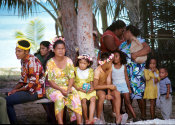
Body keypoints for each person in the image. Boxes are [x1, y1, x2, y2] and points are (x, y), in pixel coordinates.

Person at [6, 39, 45, 124]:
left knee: (7, 101)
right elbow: (23, 80)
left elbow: (32, 84)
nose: (16, 53)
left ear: (26, 52)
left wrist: (17, 90)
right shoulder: (23, 60)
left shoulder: (32, 62)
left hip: (35, 91)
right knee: (5, 98)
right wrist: (13, 90)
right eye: (16, 51)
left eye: (19, 51)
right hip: (28, 89)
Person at [45, 37, 82, 124]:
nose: (61, 50)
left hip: (67, 86)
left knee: (75, 94)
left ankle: (79, 122)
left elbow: (71, 77)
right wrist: (61, 90)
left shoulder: (68, 61)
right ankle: (60, 123)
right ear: (53, 50)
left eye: (63, 48)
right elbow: (50, 81)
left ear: (65, 49)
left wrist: (69, 89)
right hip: (53, 88)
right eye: (58, 49)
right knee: (59, 96)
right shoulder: (50, 62)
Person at [120, 25, 151, 120]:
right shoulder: (122, 45)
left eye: (124, 31)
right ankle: (130, 117)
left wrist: (135, 54)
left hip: (137, 73)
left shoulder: (139, 41)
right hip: (125, 73)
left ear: (129, 31)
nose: (123, 34)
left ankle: (143, 116)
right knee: (127, 95)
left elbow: (147, 49)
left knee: (139, 95)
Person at [94, 52, 128, 124]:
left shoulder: (109, 69)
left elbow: (108, 80)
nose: (110, 65)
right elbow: (95, 86)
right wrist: (108, 87)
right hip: (99, 88)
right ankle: (98, 118)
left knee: (117, 93)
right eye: (109, 63)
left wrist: (109, 93)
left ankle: (118, 118)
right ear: (103, 63)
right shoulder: (97, 71)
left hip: (106, 88)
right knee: (102, 96)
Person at [109, 50, 137, 121]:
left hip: (124, 85)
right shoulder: (111, 66)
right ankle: (117, 117)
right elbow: (110, 79)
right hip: (115, 86)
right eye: (113, 57)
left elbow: (126, 78)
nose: (114, 58)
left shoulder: (123, 66)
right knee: (117, 102)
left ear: (121, 58)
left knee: (128, 102)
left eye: (116, 56)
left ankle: (135, 117)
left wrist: (129, 88)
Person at [34, 41, 56, 123]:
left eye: (43, 48)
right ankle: (50, 116)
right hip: (42, 81)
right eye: (41, 48)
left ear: (48, 49)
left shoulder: (51, 58)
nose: (41, 50)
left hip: (49, 82)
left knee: (48, 98)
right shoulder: (38, 57)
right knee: (42, 95)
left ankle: (51, 116)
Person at [74, 54, 96, 124]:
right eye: (80, 63)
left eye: (84, 63)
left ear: (88, 64)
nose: (82, 65)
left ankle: (90, 119)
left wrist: (92, 88)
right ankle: (86, 118)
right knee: (83, 100)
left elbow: (91, 81)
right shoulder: (75, 69)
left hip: (88, 88)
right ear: (78, 62)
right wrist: (78, 88)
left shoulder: (90, 70)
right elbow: (72, 81)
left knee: (93, 99)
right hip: (80, 88)